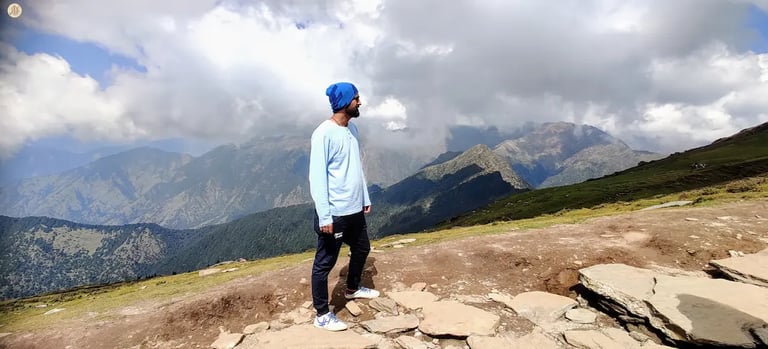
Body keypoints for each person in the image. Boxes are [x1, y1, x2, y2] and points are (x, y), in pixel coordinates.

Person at [308, 82, 380, 331]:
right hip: (335, 213)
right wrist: (325, 215)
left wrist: (365, 197)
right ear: (344, 102)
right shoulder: (323, 134)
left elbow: (355, 167)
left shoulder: (353, 128)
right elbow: (317, 178)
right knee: (324, 264)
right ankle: (321, 315)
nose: (360, 102)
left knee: (362, 248)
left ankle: (352, 288)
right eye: (356, 98)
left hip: (354, 209)